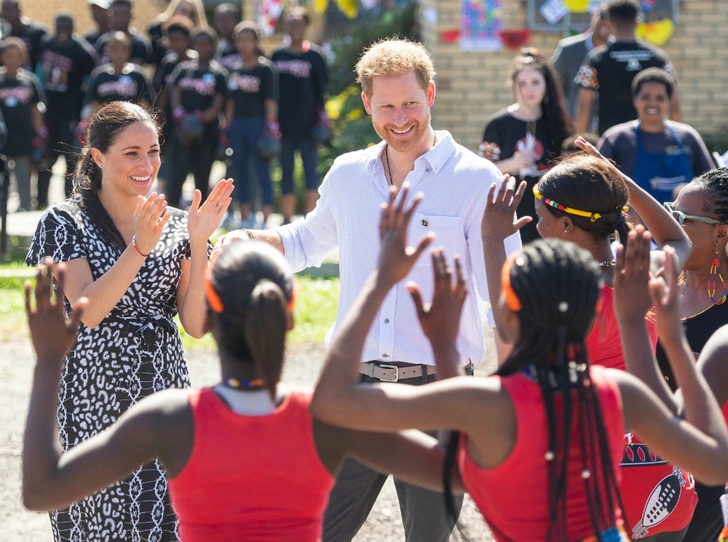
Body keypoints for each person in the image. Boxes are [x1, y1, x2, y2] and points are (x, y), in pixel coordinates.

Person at [218, 38, 522, 542]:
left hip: (438, 394)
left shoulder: (477, 180)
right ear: (366, 104)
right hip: (353, 393)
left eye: (410, 103)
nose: (399, 117)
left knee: (428, 538)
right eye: (386, 106)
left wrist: (513, 391)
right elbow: (305, 242)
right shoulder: (348, 173)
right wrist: (252, 238)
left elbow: (505, 298)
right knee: (317, 531)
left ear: (430, 95)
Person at [310, 187, 728, 541]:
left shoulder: (489, 409)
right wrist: (663, 335)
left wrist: (383, 280)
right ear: (590, 316)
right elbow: (714, 461)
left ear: (509, 316)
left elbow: (333, 402)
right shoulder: (617, 394)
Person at [22, 241, 461, 541]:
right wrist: (443, 347)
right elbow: (454, 472)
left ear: (209, 316)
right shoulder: (327, 422)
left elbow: (41, 490)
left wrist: (48, 361)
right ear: (289, 317)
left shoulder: (172, 420)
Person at [24, 100, 234, 541]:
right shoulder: (65, 222)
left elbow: (196, 324)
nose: (147, 164)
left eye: (153, 151)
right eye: (132, 153)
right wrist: (138, 248)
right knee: (98, 523)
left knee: (163, 521)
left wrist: (199, 244)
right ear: (98, 157)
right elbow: (88, 311)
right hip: (91, 396)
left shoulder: (177, 225)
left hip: (163, 392)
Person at [482, 141, 699, 540]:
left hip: (595, 479)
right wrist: (619, 181)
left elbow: (507, 325)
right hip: (663, 476)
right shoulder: (641, 270)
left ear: (567, 225)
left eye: (543, 215)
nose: (537, 223)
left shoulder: (563, 289)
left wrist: (492, 241)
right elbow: (678, 240)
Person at [651, 168, 728, 541]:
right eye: (669, 210)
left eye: (682, 218)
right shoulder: (658, 281)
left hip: (709, 470)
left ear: (721, 232)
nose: (669, 223)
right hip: (648, 458)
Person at [480, 48, 573, 243]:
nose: (529, 90)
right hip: (509, 212)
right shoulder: (497, 124)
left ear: (546, 85)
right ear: (513, 86)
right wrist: (513, 163)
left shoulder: (558, 123)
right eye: (522, 83)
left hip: (549, 215)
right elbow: (482, 171)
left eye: (535, 82)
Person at [598, 68, 713, 204]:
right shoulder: (616, 138)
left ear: (669, 102)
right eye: (645, 97)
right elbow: (597, 186)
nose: (652, 103)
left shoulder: (688, 137)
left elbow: (710, 185)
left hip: (682, 223)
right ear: (635, 100)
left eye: (660, 98)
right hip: (634, 223)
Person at [575, 0, 681, 135]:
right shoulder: (657, 56)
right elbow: (674, 103)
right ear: (637, 22)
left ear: (610, 23)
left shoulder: (597, 58)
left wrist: (579, 141)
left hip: (611, 138)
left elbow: (584, 105)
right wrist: (679, 139)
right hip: (651, 137)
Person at [272, 7, 329, 222]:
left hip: (309, 125)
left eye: (299, 24)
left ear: (306, 26)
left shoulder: (315, 56)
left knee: (310, 172)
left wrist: (323, 120)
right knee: (285, 172)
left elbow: (322, 92)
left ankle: (309, 219)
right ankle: (287, 219)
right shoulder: (278, 54)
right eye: (291, 24)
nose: (295, 28)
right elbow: (272, 91)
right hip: (283, 125)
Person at [35, 11, 97, 202]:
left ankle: (69, 199)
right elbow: (39, 72)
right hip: (49, 109)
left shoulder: (83, 52)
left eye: (66, 27)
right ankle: (41, 199)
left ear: (73, 28)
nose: (62, 31)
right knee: (46, 155)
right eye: (59, 27)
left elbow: (90, 85)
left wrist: (85, 112)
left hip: (71, 112)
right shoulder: (47, 43)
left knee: (71, 156)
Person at [225, 21, 278, 229]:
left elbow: (270, 101)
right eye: (240, 39)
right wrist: (226, 128)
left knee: (262, 170)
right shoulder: (235, 69)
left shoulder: (266, 68)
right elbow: (230, 101)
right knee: (239, 170)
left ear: (257, 42)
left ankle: (265, 220)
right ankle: (244, 218)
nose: (244, 44)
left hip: (258, 124)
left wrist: (270, 128)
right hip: (238, 125)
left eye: (248, 39)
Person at [167, 27, 228, 207]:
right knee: (176, 177)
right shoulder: (183, 69)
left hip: (206, 134)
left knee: (201, 178)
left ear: (213, 46)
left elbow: (219, 103)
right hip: (181, 132)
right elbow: (174, 92)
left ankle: (200, 218)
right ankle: (172, 213)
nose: (202, 47)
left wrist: (201, 119)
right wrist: (180, 115)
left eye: (206, 43)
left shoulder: (219, 73)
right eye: (198, 43)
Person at [0, 37, 46, 212]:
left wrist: (40, 134)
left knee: (23, 179)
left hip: (23, 137)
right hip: (2, 140)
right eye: (9, 55)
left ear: (23, 57)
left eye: (17, 55)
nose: (13, 59)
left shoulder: (30, 80)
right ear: (2, 56)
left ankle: (25, 211)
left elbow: (36, 109)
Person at [551, 4, 610, 123]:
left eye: (612, 19)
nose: (606, 22)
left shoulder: (617, 50)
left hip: (608, 122)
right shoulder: (568, 48)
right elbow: (554, 84)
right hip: (574, 120)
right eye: (602, 17)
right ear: (593, 16)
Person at [85, 31, 153, 114]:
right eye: (114, 49)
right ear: (108, 51)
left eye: (123, 49)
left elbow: (144, 104)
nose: (118, 54)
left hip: (131, 120)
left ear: (129, 50)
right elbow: (94, 104)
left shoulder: (138, 75)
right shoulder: (100, 75)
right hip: (106, 120)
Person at [146, 0, 206, 69]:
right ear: (174, 9)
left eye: (191, 13)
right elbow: (150, 58)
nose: (187, 15)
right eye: (183, 10)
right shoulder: (158, 29)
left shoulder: (198, 33)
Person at [94, 0, 151, 67]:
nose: (120, 18)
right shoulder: (103, 41)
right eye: (116, 14)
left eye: (124, 14)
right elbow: (98, 68)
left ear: (131, 15)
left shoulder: (139, 43)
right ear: (109, 14)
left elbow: (136, 71)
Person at [1, 0, 47, 69]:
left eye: (12, 9)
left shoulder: (37, 32)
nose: (8, 13)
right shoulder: (3, 34)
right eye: (5, 10)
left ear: (19, 10)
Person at [212, 2, 242, 71]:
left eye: (228, 20)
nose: (224, 24)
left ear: (237, 20)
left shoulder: (247, 46)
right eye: (220, 20)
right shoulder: (217, 48)